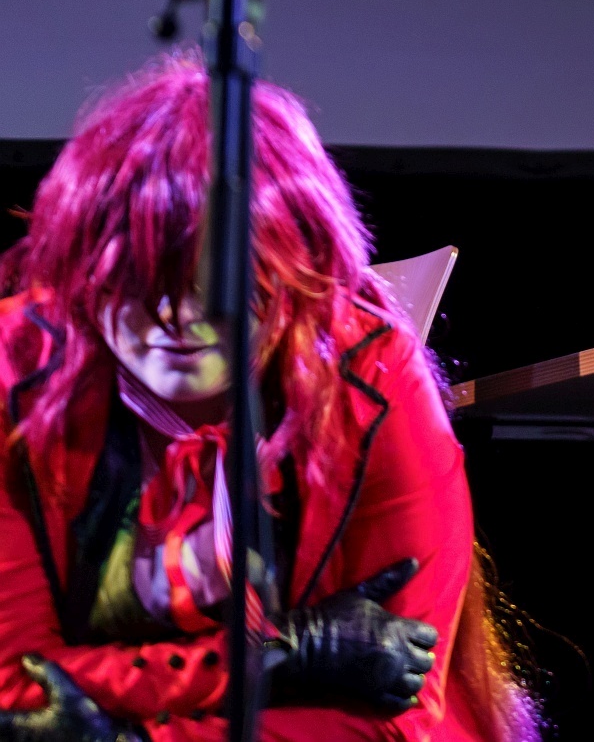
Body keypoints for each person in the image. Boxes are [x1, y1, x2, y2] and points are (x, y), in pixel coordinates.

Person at [0, 56, 534, 742]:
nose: (177, 317)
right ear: (82, 266)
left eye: (217, 281)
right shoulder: (16, 368)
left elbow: (399, 714)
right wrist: (275, 656)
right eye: (137, 278)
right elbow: (17, 689)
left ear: (292, 264)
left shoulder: (372, 374)